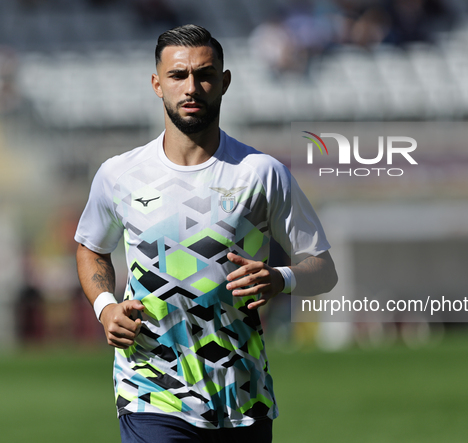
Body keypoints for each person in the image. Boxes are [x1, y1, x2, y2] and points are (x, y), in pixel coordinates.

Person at [75, 24, 337, 443]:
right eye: (178, 76)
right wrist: (106, 306)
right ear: (157, 84)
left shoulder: (261, 174)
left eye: (205, 74)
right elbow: (91, 246)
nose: (192, 87)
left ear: (224, 82)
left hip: (242, 396)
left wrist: (280, 278)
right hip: (150, 391)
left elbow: (323, 269)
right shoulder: (119, 174)